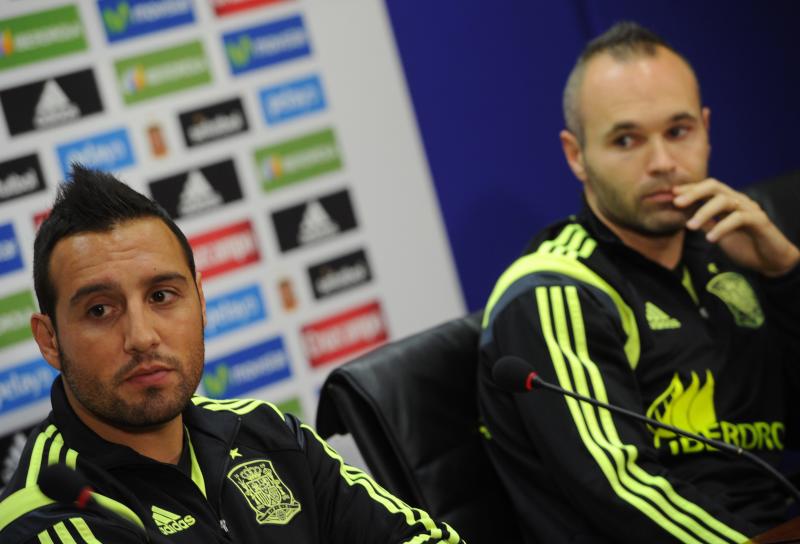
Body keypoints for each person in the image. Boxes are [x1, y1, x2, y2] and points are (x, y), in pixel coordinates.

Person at [0, 165, 463, 544]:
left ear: (200, 302)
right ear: (50, 340)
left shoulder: (267, 433)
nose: (141, 336)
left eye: (161, 296)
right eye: (100, 309)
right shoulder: (46, 522)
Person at [477, 21, 800, 543]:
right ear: (576, 155)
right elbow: (624, 494)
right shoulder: (554, 292)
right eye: (626, 139)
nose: (663, 163)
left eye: (678, 131)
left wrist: (787, 274)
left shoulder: (734, 249)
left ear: (706, 128)